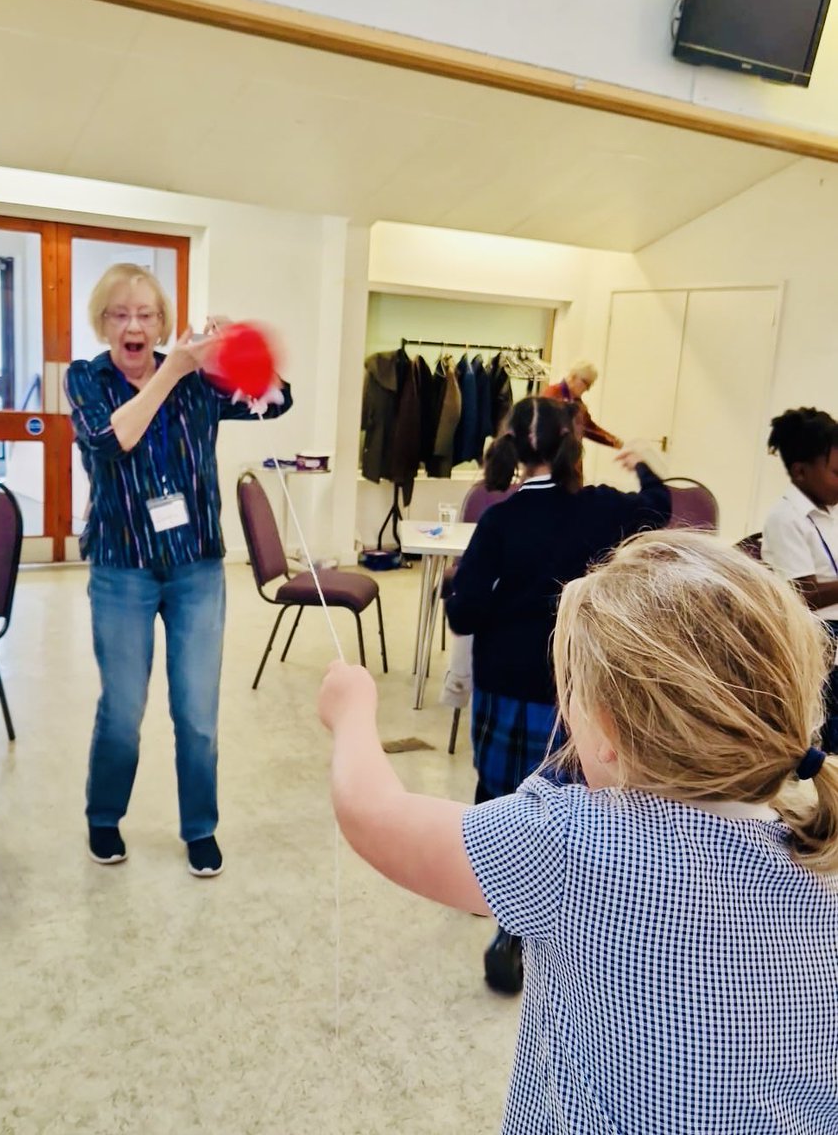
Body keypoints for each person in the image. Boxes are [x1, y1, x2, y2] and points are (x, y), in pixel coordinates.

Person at [319, 530, 838, 1135]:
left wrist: (352, 711)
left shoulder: (579, 845)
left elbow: (372, 814)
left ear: (609, 735)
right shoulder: (820, 850)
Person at [64, 264, 292, 876]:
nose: (133, 326)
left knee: (196, 712)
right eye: (119, 314)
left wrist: (237, 349)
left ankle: (200, 827)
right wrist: (174, 371)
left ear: (162, 322)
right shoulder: (86, 378)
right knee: (122, 708)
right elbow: (109, 441)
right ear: (102, 323)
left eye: (145, 314)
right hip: (122, 567)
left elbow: (275, 400)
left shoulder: (197, 380)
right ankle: (104, 816)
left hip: (196, 568)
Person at [443, 395, 670, 992]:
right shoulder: (603, 509)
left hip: (504, 682)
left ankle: (491, 888)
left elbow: (464, 615)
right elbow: (658, 509)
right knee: (565, 801)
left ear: (512, 449)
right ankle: (538, 915)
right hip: (574, 687)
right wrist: (642, 463)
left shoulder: (500, 520)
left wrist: (458, 589)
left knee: (498, 793)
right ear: (573, 444)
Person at [763, 406, 838, 753]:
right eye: (836, 472)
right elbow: (803, 593)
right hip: (817, 637)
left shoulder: (831, 513)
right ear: (801, 472)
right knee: (826, 725)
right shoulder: (785, 518)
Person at [542, 359, 622, 449]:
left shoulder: (577, 402)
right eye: (587, 384)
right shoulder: (553, 393)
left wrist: (613, 441)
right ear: (573, 376)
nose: (588, 389)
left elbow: (589, 427)